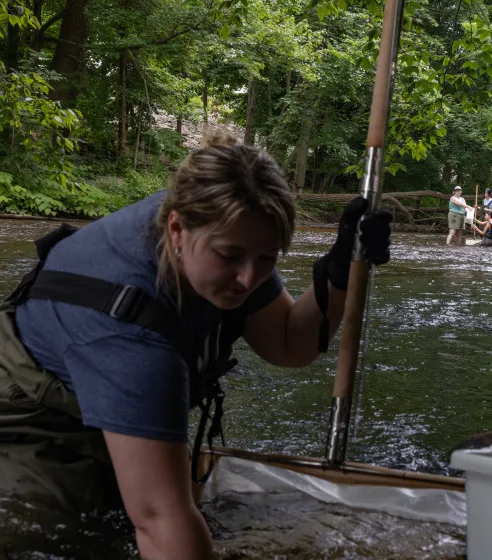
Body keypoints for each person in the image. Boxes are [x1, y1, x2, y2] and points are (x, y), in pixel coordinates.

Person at [0, 133, 393, 559]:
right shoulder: (132, 331)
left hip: (105, 396)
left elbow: (286, 344)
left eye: (268, 258)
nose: (248, 279)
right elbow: (158, 518)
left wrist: (338, 273)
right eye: (231, 257)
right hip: (30, 425)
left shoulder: (220, 227)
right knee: (68, 539)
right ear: (176, 230)